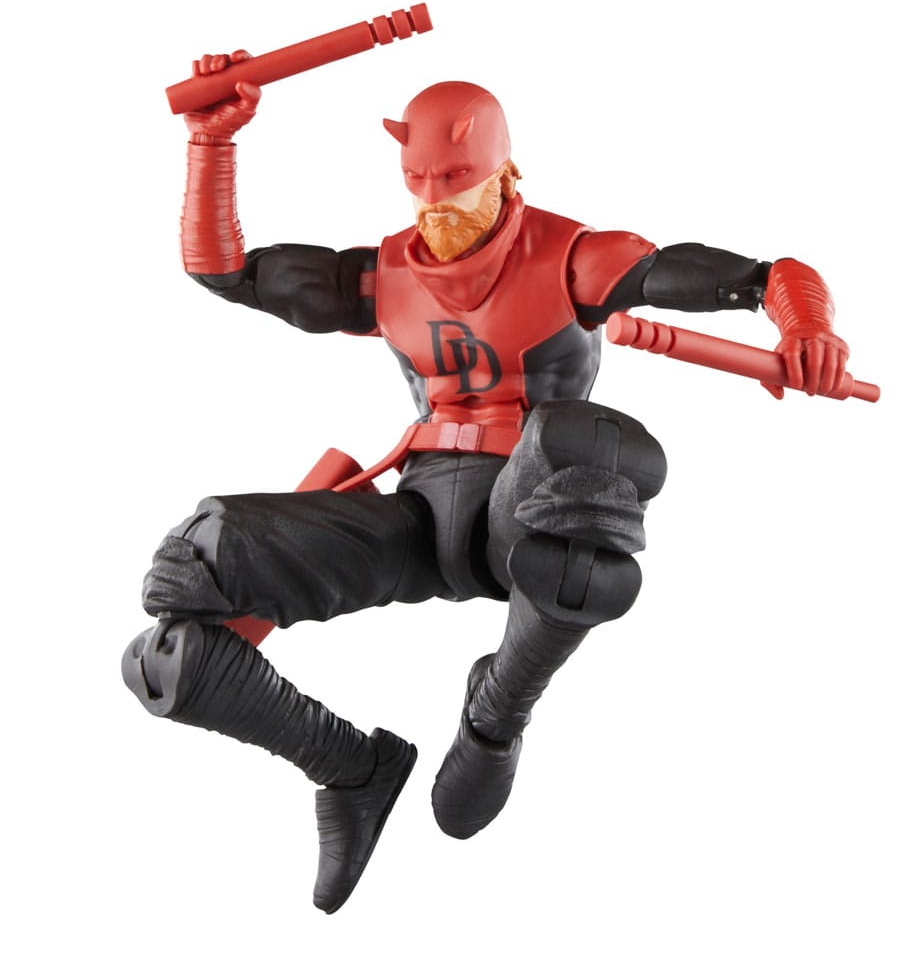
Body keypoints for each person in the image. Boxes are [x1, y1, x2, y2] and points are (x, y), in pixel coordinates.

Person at [122, 54, 850, 914]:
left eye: (457, 178)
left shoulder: (575, 259)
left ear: (505, 171)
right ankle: (350, 767)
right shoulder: (380, 274)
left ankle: (494, 717)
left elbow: (763, 276)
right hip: (417, 510)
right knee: (179, 604)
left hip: (528, 504)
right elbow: (224, 271)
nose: (437, 200)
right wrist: (211, 144)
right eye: (420, 179)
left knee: (590, 448)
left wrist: (806, 324)